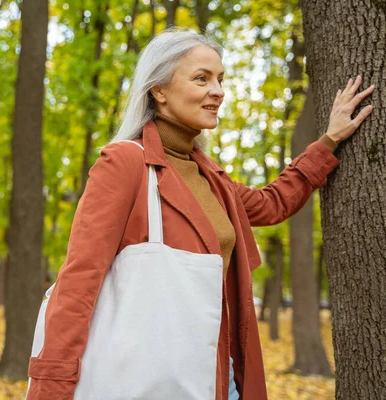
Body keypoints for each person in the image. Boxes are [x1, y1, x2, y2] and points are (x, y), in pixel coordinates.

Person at [26, 29, 375, 400]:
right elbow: (80, 280)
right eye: (201, 78)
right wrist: (52, 385)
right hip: (144, 377)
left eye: (220, 80)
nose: (218, 91)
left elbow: (272, 203)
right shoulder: (124, 162)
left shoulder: (210, 177)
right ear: (158, 90)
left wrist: (329, 141)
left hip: (217, 375)